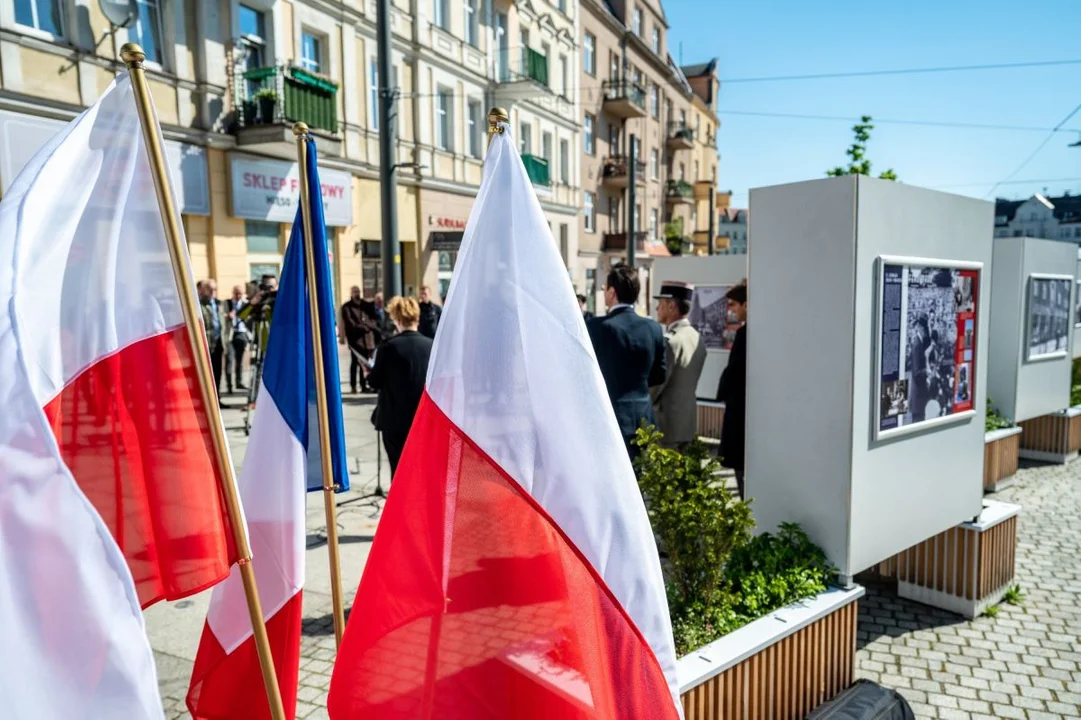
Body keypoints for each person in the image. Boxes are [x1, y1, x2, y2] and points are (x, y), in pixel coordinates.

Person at [587, 265, 666, 460]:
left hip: (608, 417)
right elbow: (659, 374)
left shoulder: (596, 327)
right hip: (643, 418)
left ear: (612, 293)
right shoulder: (653, 328)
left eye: (605, 288)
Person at [367, 296, 434, 475]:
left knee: (398, 471)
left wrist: (369, 372)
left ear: (397, 319)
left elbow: (375, 381)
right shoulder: (431, 346)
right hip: (423, 419)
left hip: (395, 420)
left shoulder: (389, 347)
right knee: (423, 470)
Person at [651, 282, 707, 449]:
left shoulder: (671, 341)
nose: (657, 309)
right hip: (687, 421)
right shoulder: (697, 338)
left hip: (666, 424)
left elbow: (657, 385)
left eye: (660, 304)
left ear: (671, 305)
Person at [716, 282, 747, 499]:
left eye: (735, 304)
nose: (732, 309)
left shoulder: (746, 333)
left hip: (741, 412)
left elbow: (736, 372)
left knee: (741, 469)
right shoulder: (746, 331)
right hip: (742, 409)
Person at [340, 286, 380, 393]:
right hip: (356, 341)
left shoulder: (366, 305)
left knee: (367, 363)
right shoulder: (347, 307)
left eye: (358, 291)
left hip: (368, 339)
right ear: (351, 293)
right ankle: (353, 386)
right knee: (355, 363)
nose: (356, 294)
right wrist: (364, 326)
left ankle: (365, 385)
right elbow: (350, 323)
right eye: (354, 292)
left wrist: (368, 326)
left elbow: (373, 319)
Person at [198, 279, 224, 399]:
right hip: (206, 343)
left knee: (217, 372)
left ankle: (217, 398)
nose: (213, 292)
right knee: (207, 373)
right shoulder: (198, 304)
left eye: (215, 289)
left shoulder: (219, 304)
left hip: (219, 342)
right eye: (210, 289)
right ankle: (208, 400)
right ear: (202, 290)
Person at [223, 284, 250, 394]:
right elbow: (221, 315)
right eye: (236, 293)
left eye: (240, 293)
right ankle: (229, 385)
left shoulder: (246, 304)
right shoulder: (227, 303)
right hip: (230, 334)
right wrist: (227, 315)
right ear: (233, 293)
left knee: (240, 360)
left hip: (242, 333)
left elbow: (250, 319)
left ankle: (239, 382)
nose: (238, 295)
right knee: (229, 359)